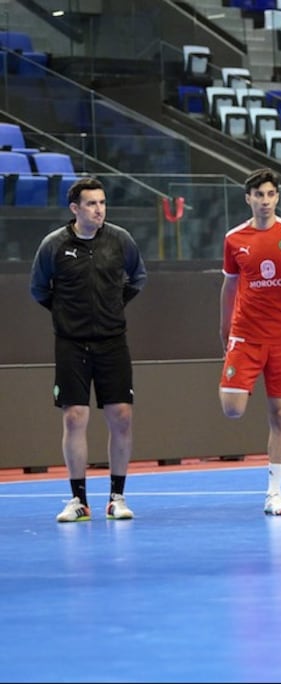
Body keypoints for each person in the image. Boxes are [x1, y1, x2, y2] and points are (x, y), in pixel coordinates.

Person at [30, 177, 147, 523]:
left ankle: (117, 497)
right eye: (92, 203)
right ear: (75, 209)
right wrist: (68, 314)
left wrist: (112, 307)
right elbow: (39, 289)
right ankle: (78, 500)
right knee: (74, 417)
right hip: (70, 343)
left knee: (122, 417)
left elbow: (137, 278)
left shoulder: (120, 241)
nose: (99, 209)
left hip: (113, 341)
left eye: (102, 203)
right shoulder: (53, 245)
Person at [218, 168, 281, 516]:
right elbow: (229, 286)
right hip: (245, 336)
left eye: (270, 194)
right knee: (232, 409)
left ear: (278, 197)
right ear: (248, 199)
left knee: (280, 413)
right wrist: (224, 330)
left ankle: (275, 493)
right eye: (258, 195)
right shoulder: (234, 238)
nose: (265, 201)